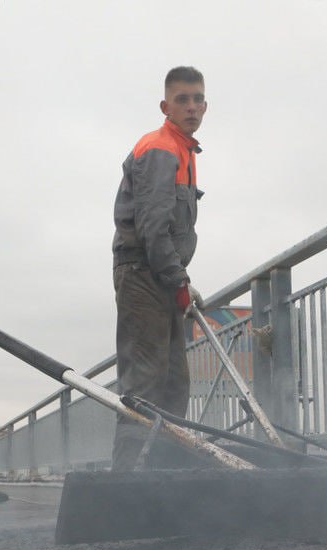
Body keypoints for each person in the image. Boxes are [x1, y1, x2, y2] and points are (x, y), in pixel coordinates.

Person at [110, 66, 208, 471]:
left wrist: (180, 281)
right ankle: (127, 485)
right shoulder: (160, 148)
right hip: (143, 275)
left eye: (197, 99)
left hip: (161, 278)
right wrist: (177, 279)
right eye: (182, 99)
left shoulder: (183, 150)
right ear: (165, 106)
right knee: (146, 384)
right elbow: (153, 227)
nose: (191, 106)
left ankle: (167, 480)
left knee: (173, 383)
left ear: (206, 106)